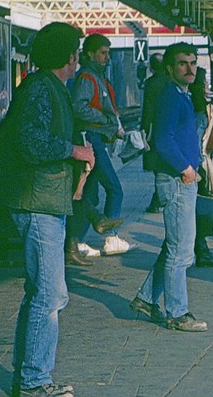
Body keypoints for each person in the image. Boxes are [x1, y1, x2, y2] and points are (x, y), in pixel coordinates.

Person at [5, 22, 95, 396]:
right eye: (75, 52)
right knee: (50, 295)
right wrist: (74, 151)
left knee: (40, 291)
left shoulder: (47, 86)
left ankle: (27, 376)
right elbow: (30, 140)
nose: (77, 60)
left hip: (45, 200)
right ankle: (34, 383)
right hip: (38, 203)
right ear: (68, 56)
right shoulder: (42, 87)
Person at [130, 42, 208, 332]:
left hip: (180, 177)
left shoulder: (180, 95)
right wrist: (186, 168)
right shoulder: (172, 97)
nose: (189, 69)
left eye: (193, 63)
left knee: (172, 246)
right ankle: (177, 312)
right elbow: (163, 139)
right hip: (176, 179)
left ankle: (146, 299)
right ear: (170, 68)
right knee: (181, 251)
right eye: (182, 64)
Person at [69, 34, 131, 258]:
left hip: (95, 138)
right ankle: (111, 236)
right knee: (114, 187)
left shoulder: (97, 77)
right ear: (90, 54)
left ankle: (77, 240)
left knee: (90, 194)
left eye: (108, 53)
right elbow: (78, 108)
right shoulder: (87, 78)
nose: (107, 57)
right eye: (103, 53)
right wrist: (105, 119)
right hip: (90, 139)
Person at [189, 67, 213, 268]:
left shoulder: (190, 105)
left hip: (194, 163)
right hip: (198, 164)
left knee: (196, 208)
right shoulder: (201, 111)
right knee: (200, 207)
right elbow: (198, 140)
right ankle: (201, 250)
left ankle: (200, 248)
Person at [141, 52, 166, 214]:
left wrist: (144, 129)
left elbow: (148, 109)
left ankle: (158, 198)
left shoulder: (151, 83)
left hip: (155, 128)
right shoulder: (171, 81)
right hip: (169, 125)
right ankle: (159, 197)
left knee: (157, 165)